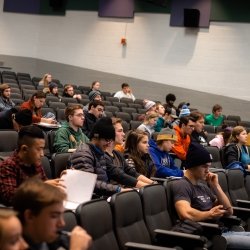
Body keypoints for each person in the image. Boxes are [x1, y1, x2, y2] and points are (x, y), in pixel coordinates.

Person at [172, 142, 250, 250]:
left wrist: (216, 186)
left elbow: (228, 211)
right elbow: (185, 213)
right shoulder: (181, 185)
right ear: (192, 165)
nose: (208, 170)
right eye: (204, 166)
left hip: (224, 231)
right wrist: (209, 214)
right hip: (210, 237)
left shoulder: (203, 186)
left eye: (209, 166)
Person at [13, 178, 92, 250]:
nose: (62, 223)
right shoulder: (15, 247)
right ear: (30, 216)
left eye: (61, 215)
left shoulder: (54, 238)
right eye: (54, 216)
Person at [0, 125, 65, 206]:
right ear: (24, 149)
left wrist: (61, 180)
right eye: (38, 149)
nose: (42, 154)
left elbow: (45, 183)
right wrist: (41, 187)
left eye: (43, 148)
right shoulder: (7, 166)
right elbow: (10, 197)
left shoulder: (35, 162)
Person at [71, 117, 130, 196]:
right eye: (106, 140)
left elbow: (115, 173)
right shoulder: (83, 154)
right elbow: (89, 183)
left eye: (110, 140)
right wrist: (119, 189)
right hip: (86, 199)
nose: (109, 144)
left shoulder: (99, 152)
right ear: (96, 137)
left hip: (100, 196)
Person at [105, 118, 154, 187]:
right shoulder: (103, 156)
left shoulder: (118, 154)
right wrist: (148, 187)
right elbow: (122, 176)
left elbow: (132, 173)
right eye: (120, 131)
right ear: (110, 133)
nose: (124, 134)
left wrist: (153, 184)